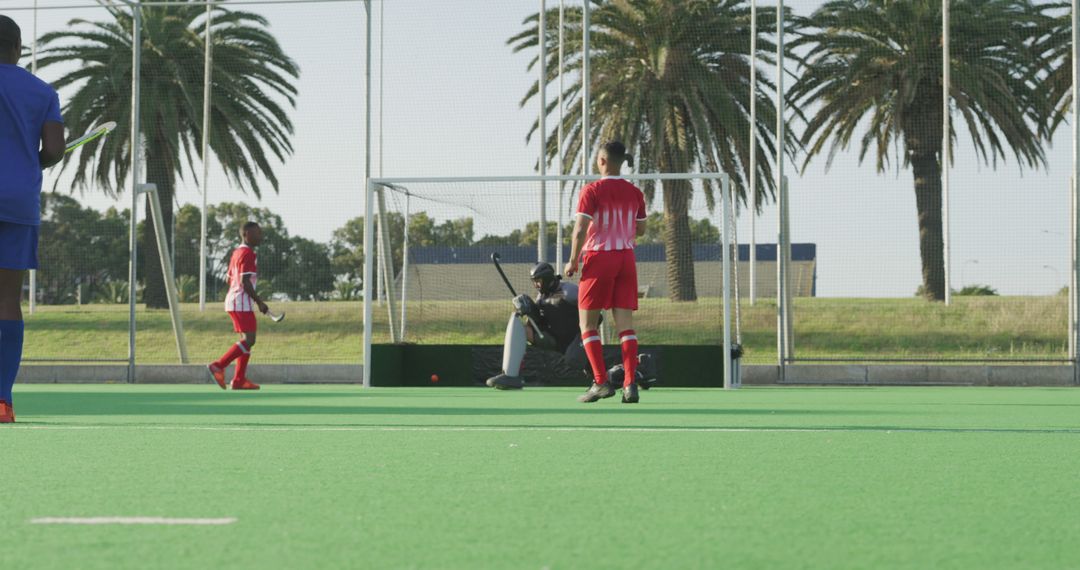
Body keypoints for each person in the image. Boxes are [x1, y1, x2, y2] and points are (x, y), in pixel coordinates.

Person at [0, 15, 66, 423]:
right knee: (6, 300)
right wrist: (32, 162)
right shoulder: (42, 90)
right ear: (19, 48)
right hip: (19, 201)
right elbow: (55, 149)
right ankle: (2, 400)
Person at [484, 262, 656, 390]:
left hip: (579, 338)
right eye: (534, 281)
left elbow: (595, 314)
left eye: (539, 281)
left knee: (580, 362)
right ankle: (510, 375)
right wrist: (527, 310)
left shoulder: (570, 291)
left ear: (548, 278)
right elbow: (537, 324)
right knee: (519, 323)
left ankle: (637, 370)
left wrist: (586, 335)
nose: (536, 285)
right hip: (558, 341)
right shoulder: (541, 298)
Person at [564, 141, 647, 404]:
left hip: (599, 258)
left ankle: (600, 383)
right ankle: (630, 384)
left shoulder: (592, 190)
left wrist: (572, 261)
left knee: (587, 324)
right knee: (626, 327)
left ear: (601, 161)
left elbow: (579, 230)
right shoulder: (635, 192)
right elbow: (641, 230)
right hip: (626, 258)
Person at [207, 222, 271, 390]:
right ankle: (218, 366)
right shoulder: (248, 253)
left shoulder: (236, 252)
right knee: (250, 340)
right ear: (247, 234)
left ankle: (239, 380)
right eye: (258, 233)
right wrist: (259, 302)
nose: (261, 236)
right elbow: (245, 282)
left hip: (235, 300)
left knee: (247, 341)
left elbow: (230, 278)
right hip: (241, 302)